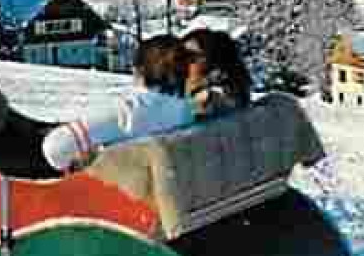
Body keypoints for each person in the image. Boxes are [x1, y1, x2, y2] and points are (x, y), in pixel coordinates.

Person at [41, 31, 249, 173]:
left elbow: (56, 149)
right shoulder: (185, 113)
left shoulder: (129, 112)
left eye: (192, 57)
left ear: (139, 70)